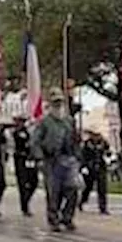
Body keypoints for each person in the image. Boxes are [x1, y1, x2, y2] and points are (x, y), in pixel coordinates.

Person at [33, 90, 79, 232]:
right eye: (55, 103)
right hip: (51, 160)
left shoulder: (69, 121)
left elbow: (74, 139)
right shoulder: (44, 122)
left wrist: (77, 156)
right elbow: (36, 141)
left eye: (60, 102)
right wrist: (39, 158)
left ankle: (67, 217)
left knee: (73, 189)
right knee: (54, 192)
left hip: (68, 159)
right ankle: (54, 219)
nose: (58, 105)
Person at [10, 115, 39, 217]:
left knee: (34, 182)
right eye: (19, 121)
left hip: (29, 159)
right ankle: (25, 207)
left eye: (22, 121)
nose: (21, 124)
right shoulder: (15, 132)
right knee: (22, 184)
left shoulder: (28, 131)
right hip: (20, 159)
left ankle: (26, 200)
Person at [79, 130, 110, 215]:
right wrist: (83, 167)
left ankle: (103, 208)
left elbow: (108, 153)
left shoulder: (104, 143)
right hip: (90, 168)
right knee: (88, 187)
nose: (96, 137)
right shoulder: (87, 144)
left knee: (102, 188)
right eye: (94, 135)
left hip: (101, 167)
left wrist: (109, 159)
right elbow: (83, 156)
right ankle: (82, 202)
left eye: (98, 135)